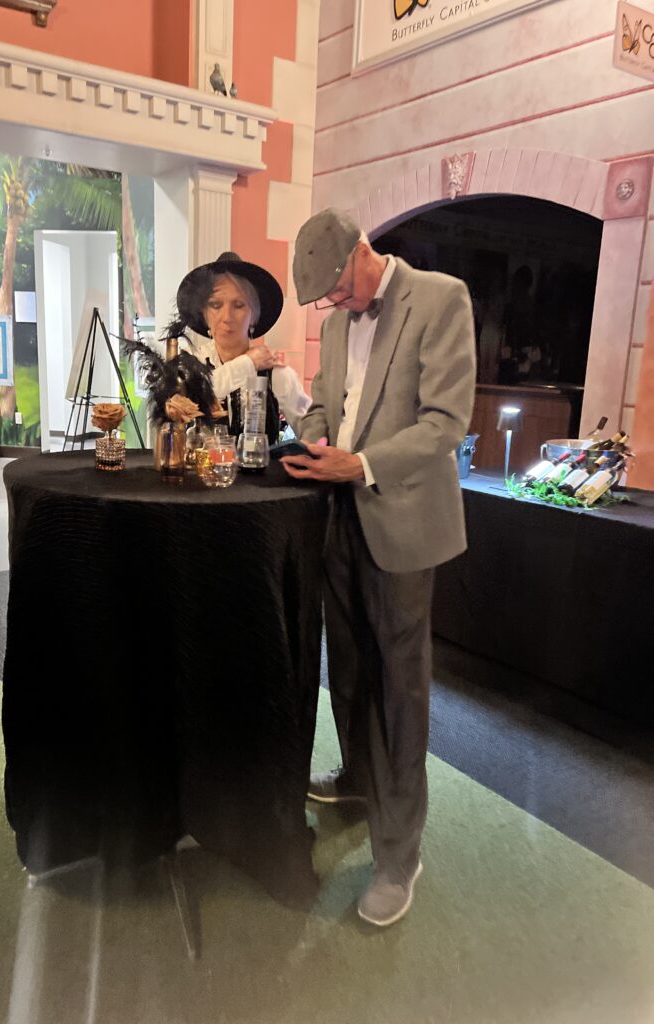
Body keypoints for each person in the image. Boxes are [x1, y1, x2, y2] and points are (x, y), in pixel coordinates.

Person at [282, 208, 476, 927]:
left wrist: (359, 463)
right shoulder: (338, 323)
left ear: (363, 251)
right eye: (326, 300)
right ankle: (360, 778)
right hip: (342, 520)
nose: (335, 305)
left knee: (400, 689)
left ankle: (399, 856)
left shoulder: (441, 298)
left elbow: (445, 422)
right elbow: (327, 406)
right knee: (350, 668)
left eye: (338, 290)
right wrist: (309, 432)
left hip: (403, 523)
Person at [169, 251, 310, 437]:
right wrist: (247, 364)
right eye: (216, 305)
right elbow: (188, 398)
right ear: (204, 314)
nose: (227, 317)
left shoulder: (277, 375)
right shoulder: (190, 364)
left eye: (238, 305)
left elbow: (312, 430)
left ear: (254, 315)